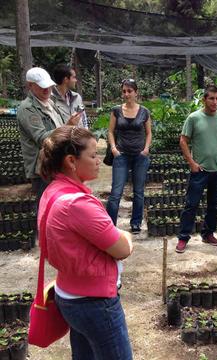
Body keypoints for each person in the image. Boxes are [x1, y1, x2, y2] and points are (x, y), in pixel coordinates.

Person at [38, 126, 133, 359]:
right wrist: (127, 237)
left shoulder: (52, 191)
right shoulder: (77, 204)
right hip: (95, 304)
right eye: (92, 155)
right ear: (71, 160)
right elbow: (121, 249)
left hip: (68, 294)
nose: (99, 161)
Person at [176, 85, 217, 253]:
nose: (215, 102)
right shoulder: (194, 118)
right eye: (211, 98)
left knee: (213, 205)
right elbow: (183, 141)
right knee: (191, 204)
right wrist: (192, 163)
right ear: (204, 99)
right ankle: (183, 237)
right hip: (199, 171)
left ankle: (208, 234)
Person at [17, 67, 81, 200]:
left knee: (58, 204)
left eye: (49, 86)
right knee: (46, 205)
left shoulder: (51, 102)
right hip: (43, 168)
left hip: (57, 162)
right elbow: (41, 138)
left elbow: (61, 127)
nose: (47, 90)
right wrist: (67, 126)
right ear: (30, 85)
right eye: (42, 87)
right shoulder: (27, 109)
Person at [106, 79, 152, 234]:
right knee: (116, 192)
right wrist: (113, 148)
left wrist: (146, 149)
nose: (126, 94)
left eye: (129, 91)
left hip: (140, 156)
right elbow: (110, 131)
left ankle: (136, 223)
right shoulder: (116, 110)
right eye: (124, 91)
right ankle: (110, 224)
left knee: (139, 191)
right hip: (122, 156)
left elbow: (149, 132)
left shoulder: (144, 111)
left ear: (136, 92)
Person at [51, 63, 88, 128]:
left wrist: (87, 134)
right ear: (66, 79)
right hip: (62, 136)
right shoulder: (50, 99)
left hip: (79, 137)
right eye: (74, 77)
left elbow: (84, 119)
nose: (76, 80)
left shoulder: (77, 97)